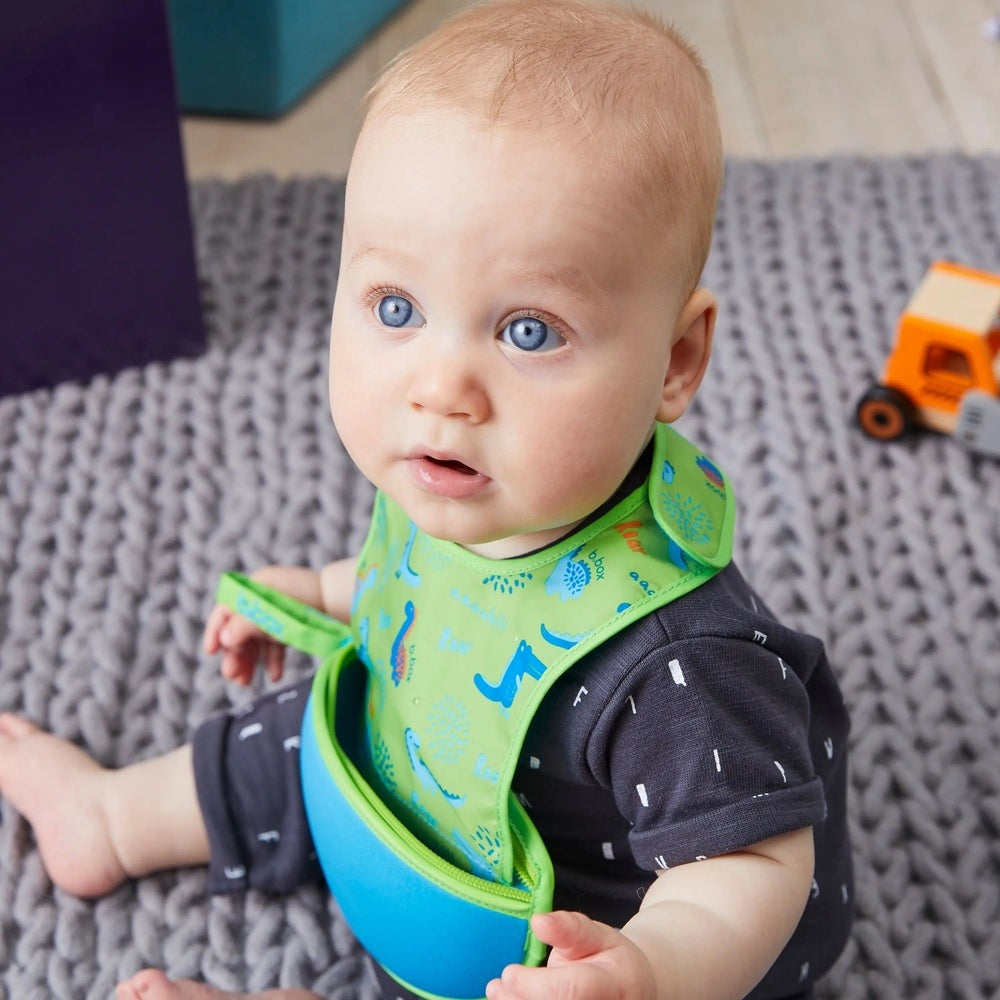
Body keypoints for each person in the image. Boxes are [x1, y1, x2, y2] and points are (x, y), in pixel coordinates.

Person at [0, 1, 853, 998]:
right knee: (293, 732)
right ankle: (110, 816)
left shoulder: (681, 664)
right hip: (430, 789)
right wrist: (326, 592)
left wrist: (652, 969)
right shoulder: (466, 480)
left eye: (528, 332)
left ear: (675, 360)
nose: (439, 388)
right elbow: (424, 583)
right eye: (396, 309)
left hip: (574, 920)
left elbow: (752, 866)